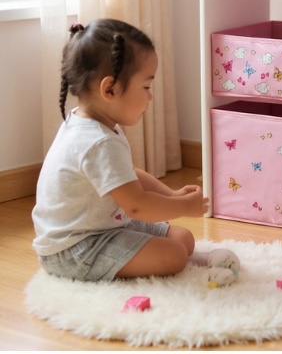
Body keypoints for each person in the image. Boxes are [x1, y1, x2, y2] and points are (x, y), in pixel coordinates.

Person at [32, 19, 239, 285]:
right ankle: (184, 261)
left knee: (183, 239)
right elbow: (137, 205)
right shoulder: (97, 142)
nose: (150, 97)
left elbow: (128, 176)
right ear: (109, 89)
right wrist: (183, 206)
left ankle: (187, 258)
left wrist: (170, 195)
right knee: (174, 255)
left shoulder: (94, 124)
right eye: (146, 87)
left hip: (100, 225)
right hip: (75, 248)